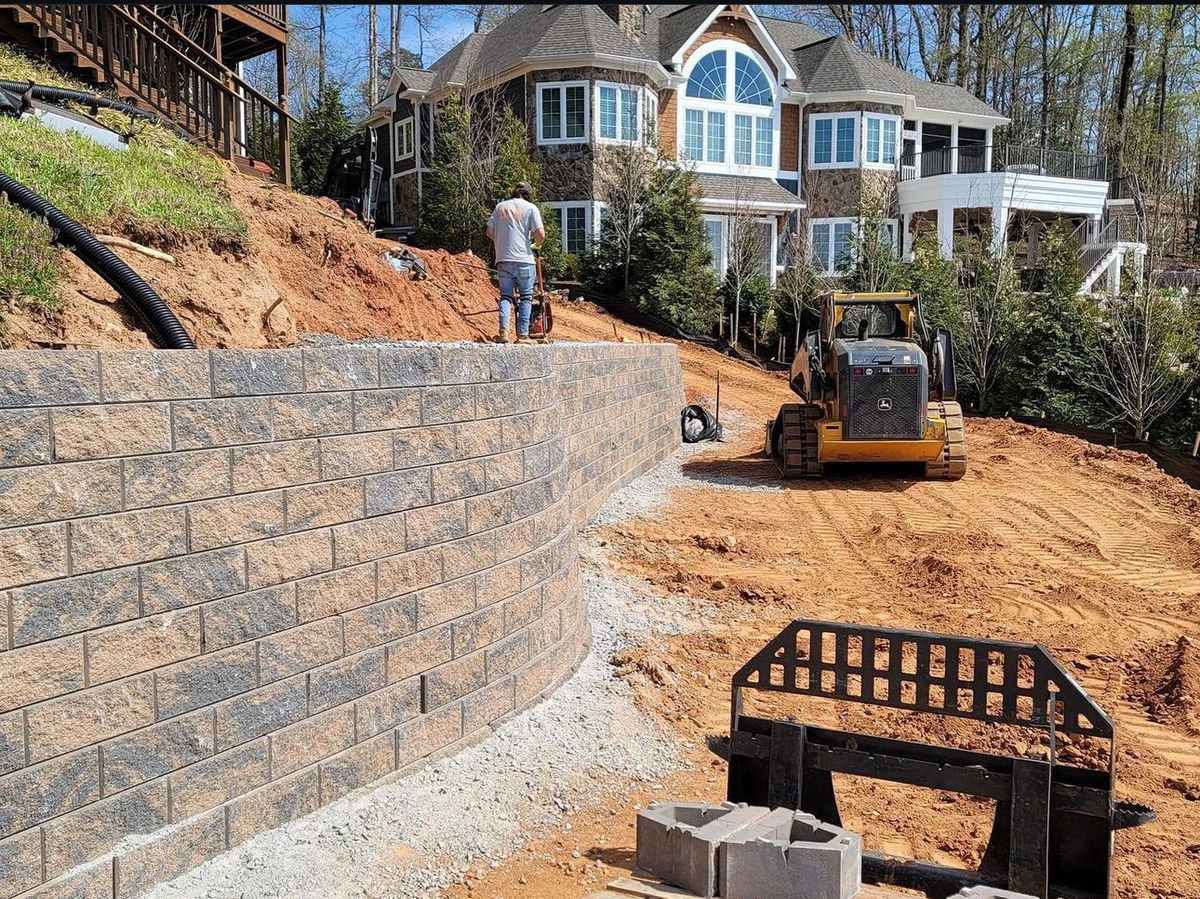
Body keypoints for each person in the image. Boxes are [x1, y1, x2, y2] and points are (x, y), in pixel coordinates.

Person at [487, 181, 545, 344]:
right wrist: (535, 245)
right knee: (526, 297)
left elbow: (490, 231)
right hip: (524, 260)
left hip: (503, 259)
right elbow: (541, 234)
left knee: (505, 296)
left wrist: (501, 242)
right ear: (527, 193)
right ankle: (522, 335)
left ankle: (503, 333)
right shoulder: (531, 208)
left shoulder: (500, 207)